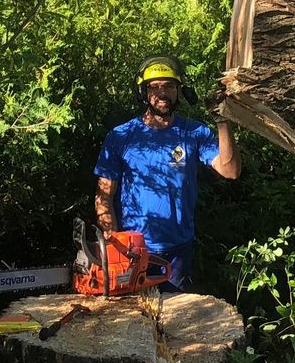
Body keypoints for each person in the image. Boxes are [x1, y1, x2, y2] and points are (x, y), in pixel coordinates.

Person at [94, 55, 239, 289]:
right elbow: (104, 195)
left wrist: (223, 120)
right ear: (143, 92)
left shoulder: (194, 133)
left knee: (175, 321)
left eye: (169, 86)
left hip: (179, 252)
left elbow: (230, 170)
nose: (162, 93)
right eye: (155, 87)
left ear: (179, 90)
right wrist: (113, 243)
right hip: (134, 251)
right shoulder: (121, 136)